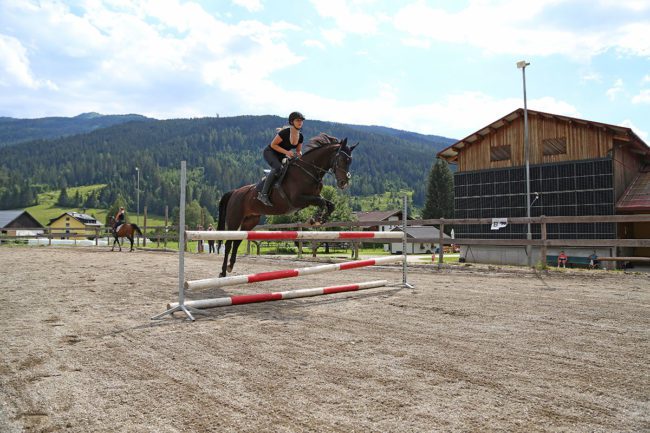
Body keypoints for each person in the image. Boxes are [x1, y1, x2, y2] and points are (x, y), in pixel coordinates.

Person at [257, 111, 305, 206]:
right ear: (292, 122)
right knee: (278, 168)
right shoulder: (285, 133)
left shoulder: (301, 136)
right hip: (270, 152)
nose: (300, 122)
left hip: (282, 155)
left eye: (301, 121)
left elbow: (299, 150)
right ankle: (263, 194)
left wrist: (299, 154)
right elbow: (273, 145)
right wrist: (287, 152)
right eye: (298, 120)